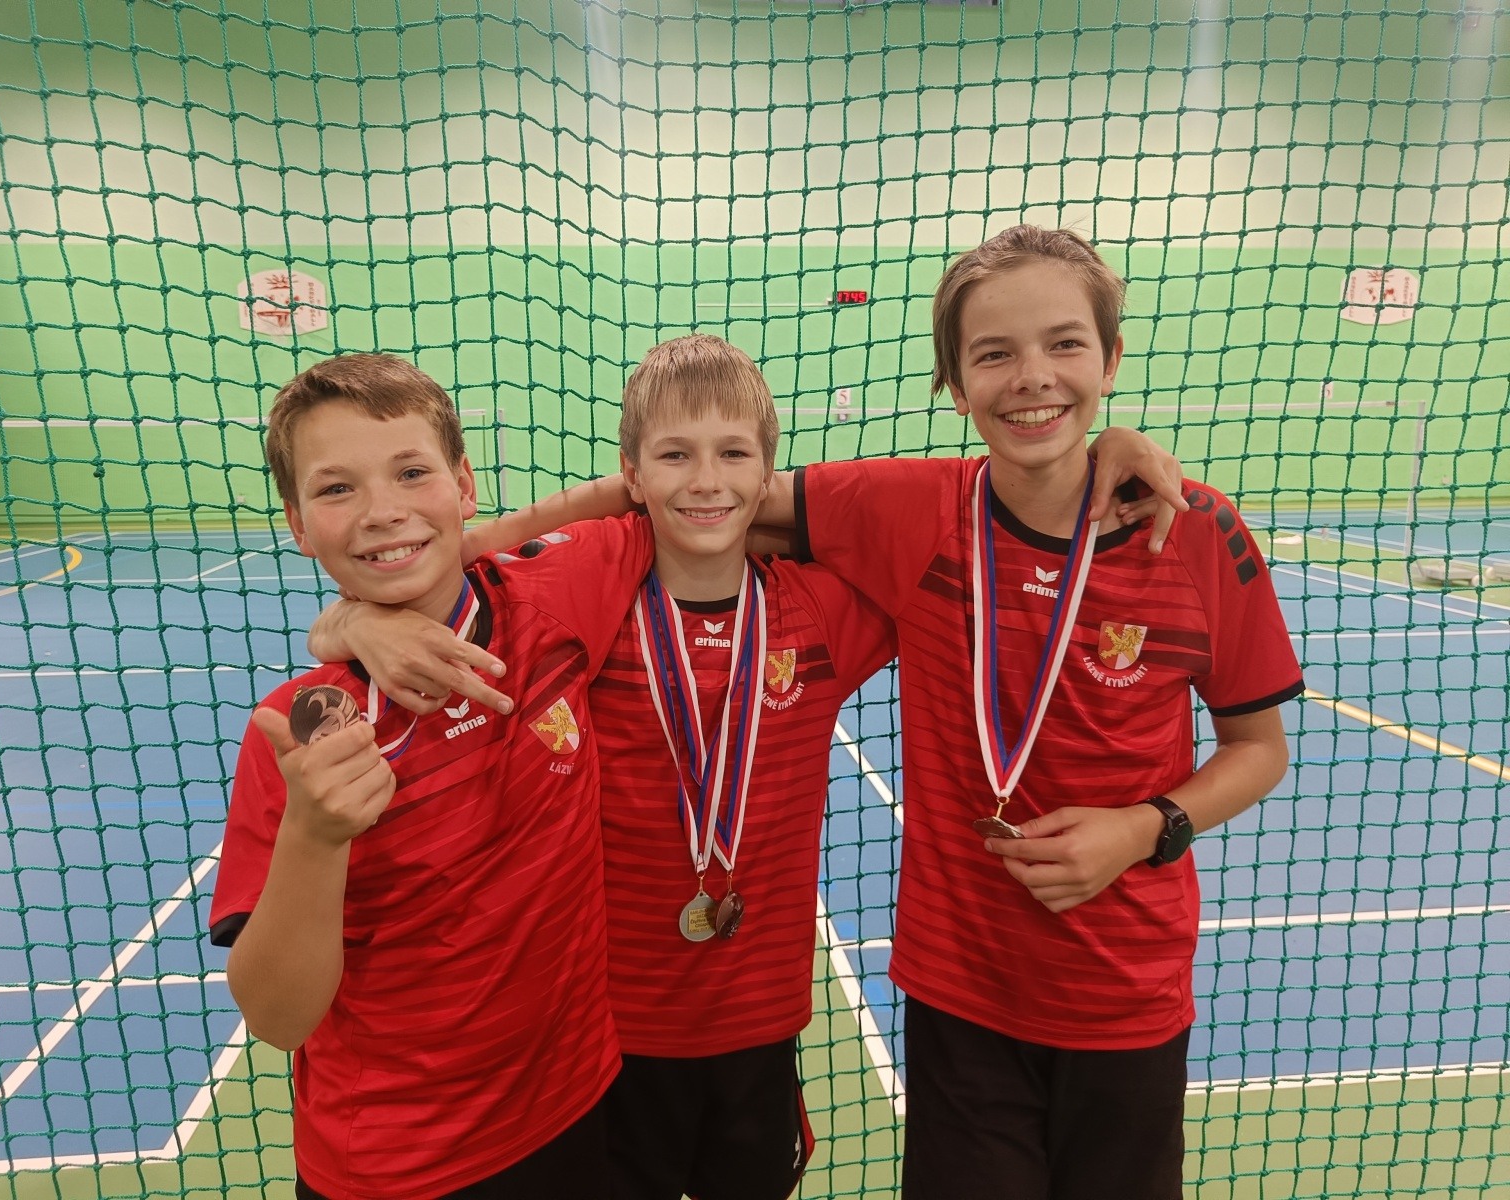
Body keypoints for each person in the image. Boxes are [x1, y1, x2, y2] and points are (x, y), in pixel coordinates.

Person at [307, 334, 1190, 1200]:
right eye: (675, 456)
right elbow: (453, 592)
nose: (705, 480)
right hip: (611, 1037)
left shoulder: (823, 611)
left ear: (767, 472)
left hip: (760, 1027)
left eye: (733, 454)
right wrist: (353, 618)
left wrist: (1094, 454)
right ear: (633, 472)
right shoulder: (589, 596)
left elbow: (964, 537)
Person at [768, 226, 1303, 1199]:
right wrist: (473, 558)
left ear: (1110, 358)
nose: (1032, 377)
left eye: (1064, 344)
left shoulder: (1197, 532)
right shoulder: (910, 510)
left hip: (1126, 995)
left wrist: (1145, 828)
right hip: (961, 994)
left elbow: (1258, 748)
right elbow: (699, 494)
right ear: (954, 382)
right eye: (993, 353)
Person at [206, 352, 658, 1200]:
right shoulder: (302, 729)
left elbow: (665, 496)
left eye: (412, 473)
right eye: (336, 489)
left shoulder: (555, 600)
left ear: (465, 484)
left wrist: (359, 610)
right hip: (398, 1166)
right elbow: (278, 1017)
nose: (382, 510)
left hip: (577, 1104)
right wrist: (314, 835)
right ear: (298, 525)